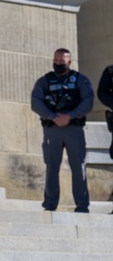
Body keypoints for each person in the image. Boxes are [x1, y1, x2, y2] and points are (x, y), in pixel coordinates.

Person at [30, 48, 94, 213]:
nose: (58, 64)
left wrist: (70, 116)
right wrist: (52, 117)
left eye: (62, 61)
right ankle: (50, 205)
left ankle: (82, 205)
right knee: (52, 167)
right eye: (56, 61)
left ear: (69, 62)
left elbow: (88, 101)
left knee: (78, 167)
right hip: (52, 129)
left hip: (74, 128)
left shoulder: (80, 79)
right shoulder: (44, 81)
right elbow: (35, 102)